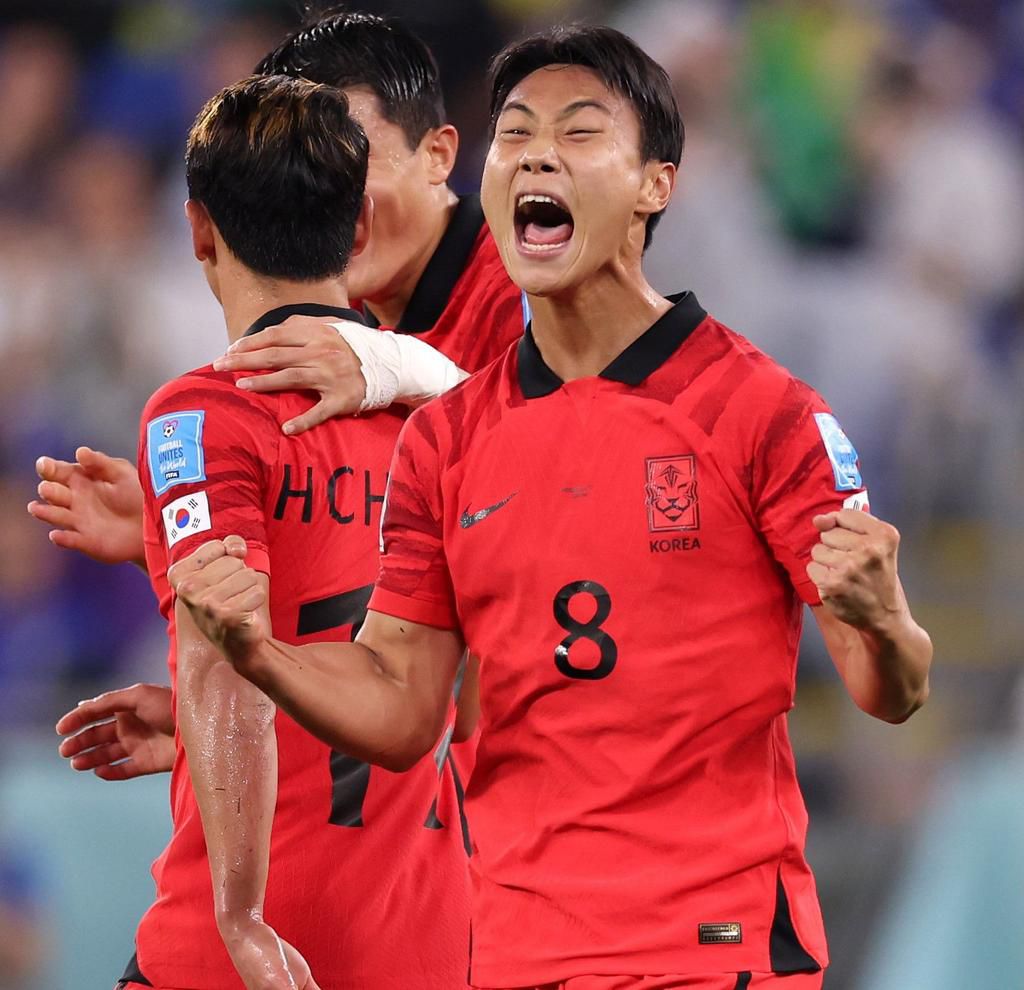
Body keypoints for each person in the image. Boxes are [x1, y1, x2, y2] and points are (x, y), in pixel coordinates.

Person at [170, 25, 934, 990]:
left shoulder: (764, 414)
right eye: (517, 133)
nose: (534, 152)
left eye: (578, 134)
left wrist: (883, 614)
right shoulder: (444, 442)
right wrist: (253, 650)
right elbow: (403, 706)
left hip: (709, 943)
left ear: (656, 184)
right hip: (511, 949)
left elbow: (890, 689)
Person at [33, 8, 508, 781]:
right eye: (312, 168)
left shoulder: (529, 289)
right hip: (448, 832)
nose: (333, 195)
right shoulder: (328, 327)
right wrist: (170, 545)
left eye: (353, 160)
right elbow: (366, 621)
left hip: (581, 819)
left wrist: (404, 368)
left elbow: (567, 502)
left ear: (439, 154)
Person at [110, 75, 470, 990]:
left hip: (258, 938)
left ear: (199, 230)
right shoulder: (452, 422)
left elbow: (225, 658)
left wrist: (241, 918)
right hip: (432, 943)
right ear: (356, 231)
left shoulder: (201, 417)